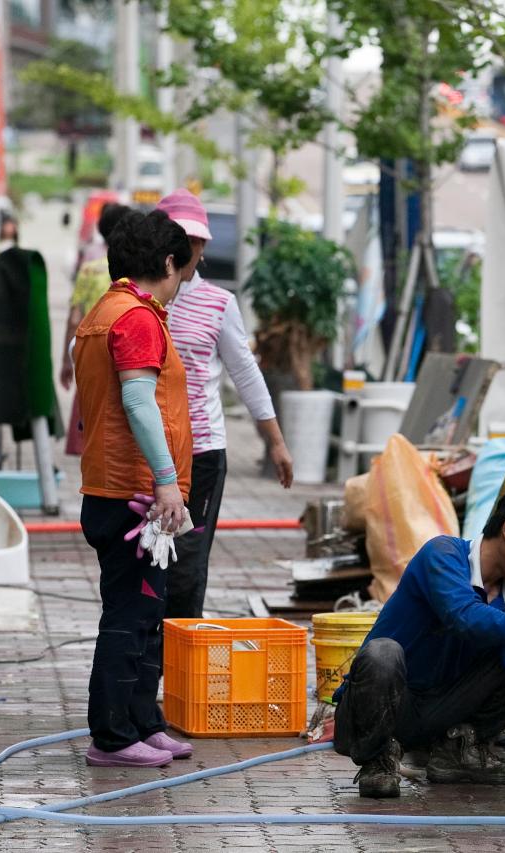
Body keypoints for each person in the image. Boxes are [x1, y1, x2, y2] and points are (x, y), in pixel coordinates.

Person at [332, 484, 505, 798]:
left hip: (436, 715)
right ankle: (377, 760)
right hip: (378, 709)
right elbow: (465, 617)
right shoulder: (443, 555)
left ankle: (456, 750)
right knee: (382, 654)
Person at [73, 208, 195, 768]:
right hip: (133, 493)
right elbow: (139, 402)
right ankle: (114, 735)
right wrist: (167, 482)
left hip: (114, 488)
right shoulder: (138, 319)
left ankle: (144, 721)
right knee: (129, 611)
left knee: (145, 608)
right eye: (181, 270)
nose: (181, 283)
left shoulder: (104, 311)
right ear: (167, 262)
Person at [156, 188, 294, 620]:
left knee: (187, 562)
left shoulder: (219, 304)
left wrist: (274, 441)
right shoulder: (137, 299)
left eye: (194, 241)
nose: (187, 249)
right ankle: (144, 662)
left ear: (203, 247)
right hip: (146, 448)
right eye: (177, 238)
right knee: (144, 559)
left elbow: (246, 374)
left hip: (201, 453)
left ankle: (177, 659)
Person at [61, 203, 130, 456]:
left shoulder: (89, 263)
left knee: (88, 396)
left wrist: (66, 361)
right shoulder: (131, 265)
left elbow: (74, 316)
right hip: (123, 345)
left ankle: (85, 446)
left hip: (90, 345)